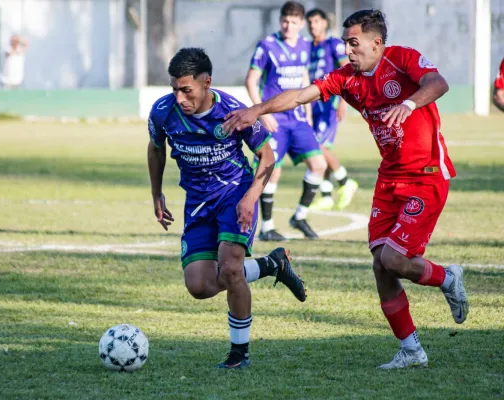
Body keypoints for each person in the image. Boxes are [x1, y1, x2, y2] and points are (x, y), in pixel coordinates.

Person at [223, 9, 469, 369]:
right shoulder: (348, 78)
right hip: (390, 178)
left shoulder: (401, 58)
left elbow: (438, 83)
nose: (348, 50)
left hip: (427, 174)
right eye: (345, 43)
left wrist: (408, 102)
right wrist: (258, 109)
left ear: (376, 43)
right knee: (381, 267)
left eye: (354, 43)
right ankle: (412, 350)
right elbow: (300, 96)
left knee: (394, 260)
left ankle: (448, 277)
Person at [147, 47, 307, 369]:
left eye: (187, 90)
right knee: (199, 285)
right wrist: (156, 194)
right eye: (175, 89)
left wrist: (250, 197)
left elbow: (268, 156)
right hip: (197, 203)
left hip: (235, 196)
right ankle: (271, 265)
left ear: (207, 82)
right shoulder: (163, 112)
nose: (180, 98)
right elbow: (155, 148)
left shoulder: (233, 111)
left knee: (231, 268)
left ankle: (239, 355)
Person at [245, 1, 327, 241]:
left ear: (301, 24)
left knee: (319, 165)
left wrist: (309, 113)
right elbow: (251, 81)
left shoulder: (304, 45)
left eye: (293, 22)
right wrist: (263, 113)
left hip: (298, 118)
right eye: (284, 21)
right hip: (275, 120)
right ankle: (267, 227)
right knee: (272, 171)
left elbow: (304, 76)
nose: (288, 26)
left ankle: (299, 216)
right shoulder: (267, 46)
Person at [305, 8, 359, 211]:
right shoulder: (308, 47)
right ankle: (326, 194)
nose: (313, 26)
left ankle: (345, 181)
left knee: (317, 146)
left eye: (317, 21)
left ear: (325, 23)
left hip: (330, 104)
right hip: (313, 105)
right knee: (319, 149)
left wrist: (344, 101)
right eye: (310, 22)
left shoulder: (334, 45)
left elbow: (348, 71)